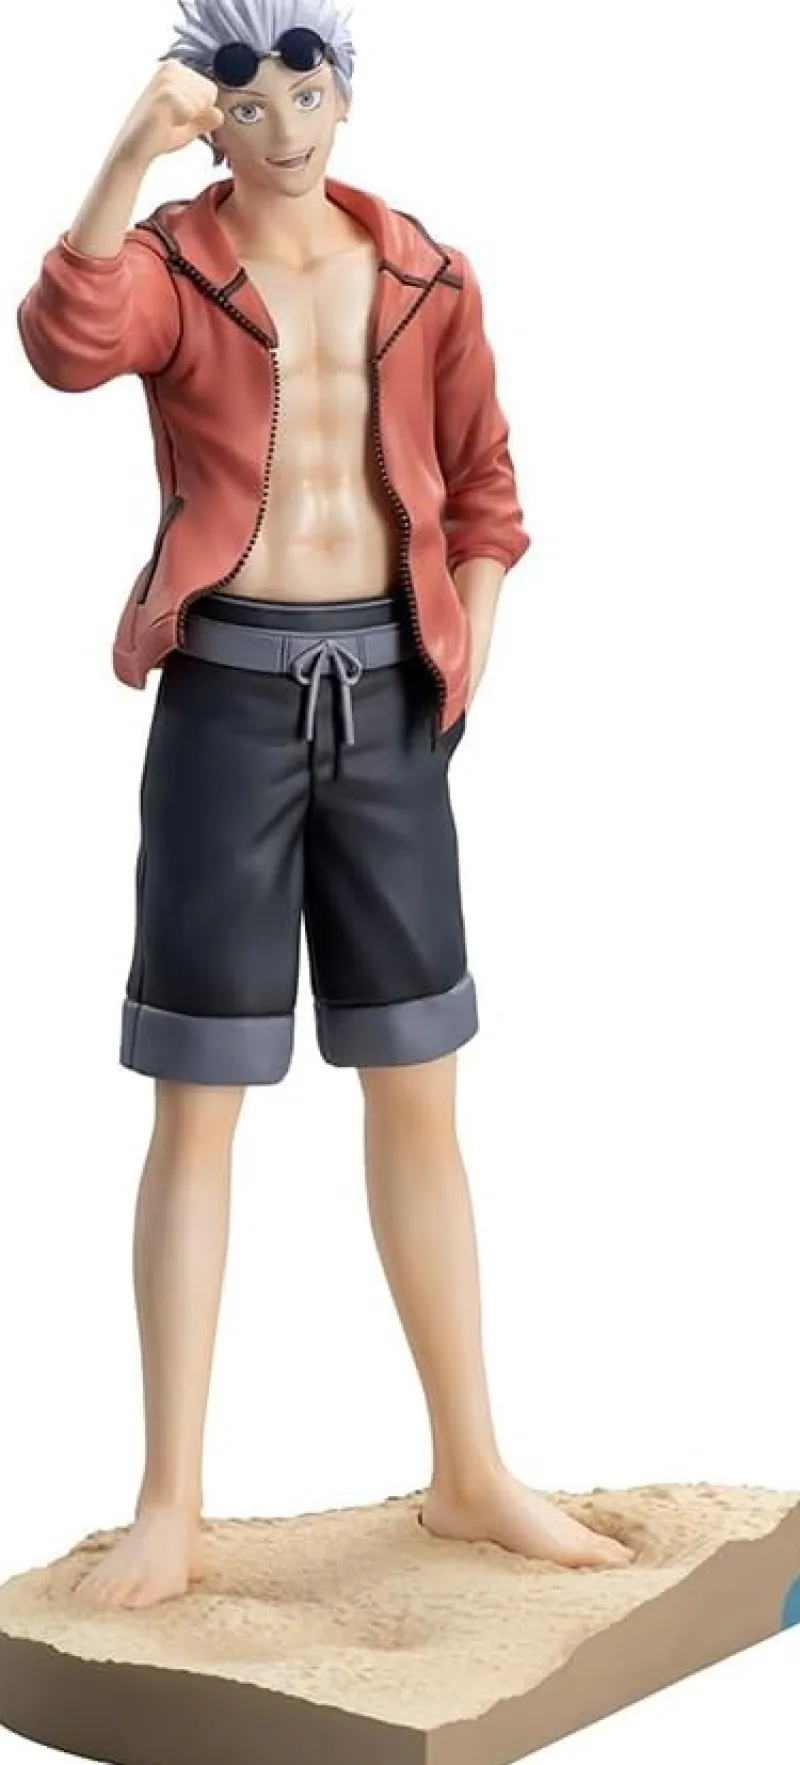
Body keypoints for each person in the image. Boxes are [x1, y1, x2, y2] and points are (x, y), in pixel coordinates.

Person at [16, 0, 634, 1608]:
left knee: (422, 1086)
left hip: (392, 707)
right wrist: (122, 155)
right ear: (205, 114)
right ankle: (170, 1499)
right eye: (246, 100)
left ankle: (470, 1466)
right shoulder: (171, 262)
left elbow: (487, 488)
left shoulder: (429, 272)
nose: (282, 125)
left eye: (307, 90)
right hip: (225, 704)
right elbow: (64, 345)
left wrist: (464, 651)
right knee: (196, 1101)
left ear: (345, 96)